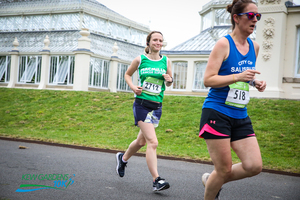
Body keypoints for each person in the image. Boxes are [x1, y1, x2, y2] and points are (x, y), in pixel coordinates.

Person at [199, 0, 267, 199]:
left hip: (240, 114)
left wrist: (255, 83)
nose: (255, 20)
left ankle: (212, 179)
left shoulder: (254, 46)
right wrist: (238, 76)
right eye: (250, 16)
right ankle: (214, 183)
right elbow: (208, 80)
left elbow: (245, 75)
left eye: (258, 16)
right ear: (236, 18)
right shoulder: (223, 43)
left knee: (254, 166)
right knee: (224, 169)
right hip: (217, 112)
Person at [115, 31, 173, 192]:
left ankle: (123, 158)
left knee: (141, 142)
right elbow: (127, 74)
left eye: (161, 40)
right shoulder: (140, 59)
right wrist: (133, 87)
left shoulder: (166, 61)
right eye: (155, 40)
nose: (158, 42)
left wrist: (169, 80)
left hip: (157, 107)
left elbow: (168, 82)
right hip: (141, 105)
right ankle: (157, 180)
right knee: (152, 142)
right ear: (148, 42)